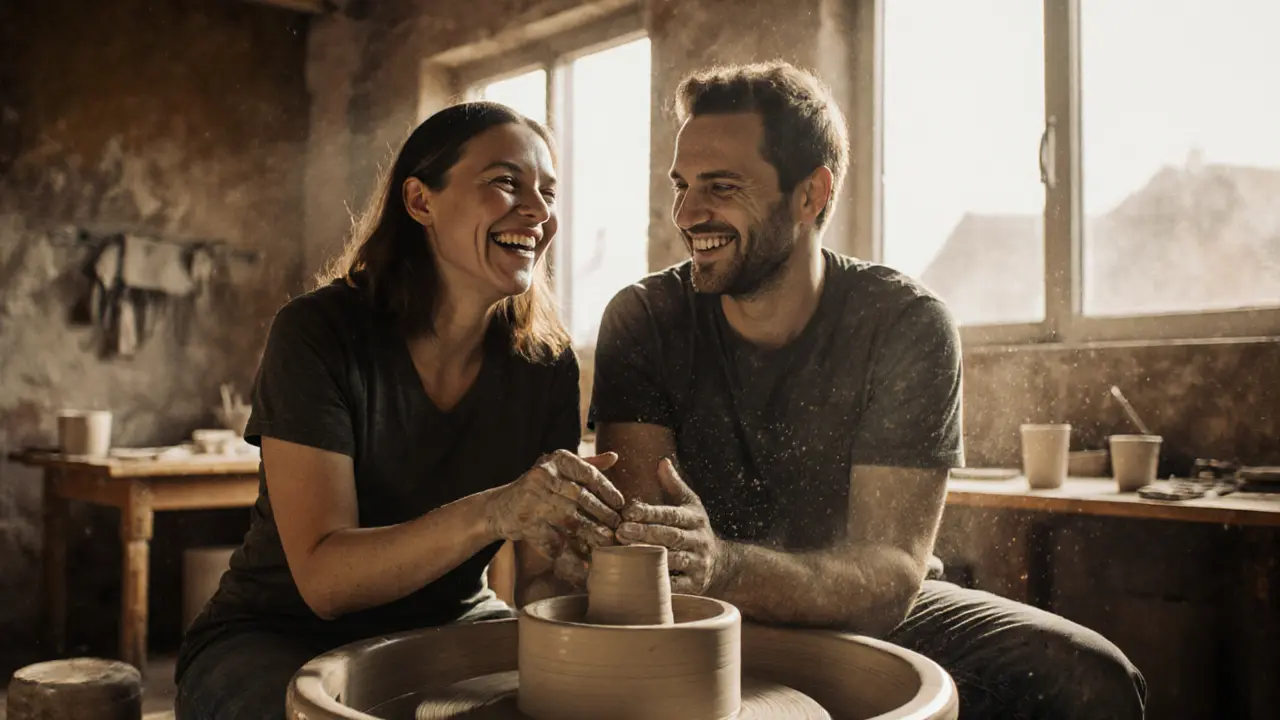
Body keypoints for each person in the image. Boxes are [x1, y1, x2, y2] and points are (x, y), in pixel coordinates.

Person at [582, 61, 1147, 719]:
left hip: (865, 611)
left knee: (1090, 679)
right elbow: (657, 570)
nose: (686, 212)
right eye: (682, 185)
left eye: (721, 186)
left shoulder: (905, 324)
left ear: (811, 194)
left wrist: (728, 564)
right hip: (702, 615)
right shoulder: (644, 319)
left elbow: (889, 579)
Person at [174, 102, 624, 720]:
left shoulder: (545, 365)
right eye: (504, 183)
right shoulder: (318, 333)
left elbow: (542, 578)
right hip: (279, 631)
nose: (539, 212)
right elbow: (326, 583)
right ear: (420, 201)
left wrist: (584, 569)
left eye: (547, 192)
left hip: (452, 621)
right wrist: (495, 511)